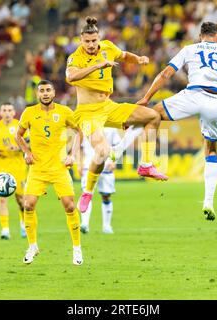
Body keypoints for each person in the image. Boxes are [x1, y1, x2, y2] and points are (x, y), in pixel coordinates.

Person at [136, 22, 217, 221]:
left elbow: (165, 74)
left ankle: (137, 158)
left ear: (200, 36)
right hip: (215, 102)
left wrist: (146, 97)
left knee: (151, 114)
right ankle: (208, 201)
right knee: (212, 149)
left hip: (193, 95)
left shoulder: (190, 49)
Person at [65, 16, 167, 215]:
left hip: (109, 106)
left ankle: (146, 164)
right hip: (87, 113)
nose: (91, 45)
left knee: (153, 116)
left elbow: (123, 54)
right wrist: (97, 66)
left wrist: (138, 59)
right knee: (102, 152)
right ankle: (87, 191)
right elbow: (70, 77)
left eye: (94, 41)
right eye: (87, 41)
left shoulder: (107, 47)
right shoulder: (75, 57)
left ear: (99, 38)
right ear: (80, 40)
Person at [15, 80, 84, 265]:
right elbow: (18, 135)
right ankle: (32, 246)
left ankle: (77, 249)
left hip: (59, 167)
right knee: (28, 205)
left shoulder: (64, 112)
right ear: (37, 94)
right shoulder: (29, 112)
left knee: (70, 206)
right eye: (42, 91)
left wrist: (73, 155)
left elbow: (79, 132)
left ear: (54, 92)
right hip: (38, 168)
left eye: (48, 90)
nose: (45, 93)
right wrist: (27, 152)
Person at [0, 103, 28, 240]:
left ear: (14, 112)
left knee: (21, 200)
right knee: (2, 198)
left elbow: (29, 143)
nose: (7, 113)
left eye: (9, 110)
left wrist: (18, 148)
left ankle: (23, 225)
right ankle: (5, 229)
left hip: (18, 166)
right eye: (4, 110)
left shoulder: (20, 125)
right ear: (0, 112)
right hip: (2, 166)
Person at [80, 127, 120, 234]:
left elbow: (116, 146)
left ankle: (107, 226)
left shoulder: (112, 126)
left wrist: (114, 161)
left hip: (106, 166)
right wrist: (80, 164)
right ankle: (84, 224)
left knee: (106, 195)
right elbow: (81, 147)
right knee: (87, 194)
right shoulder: (88, 125)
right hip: (89, 165)